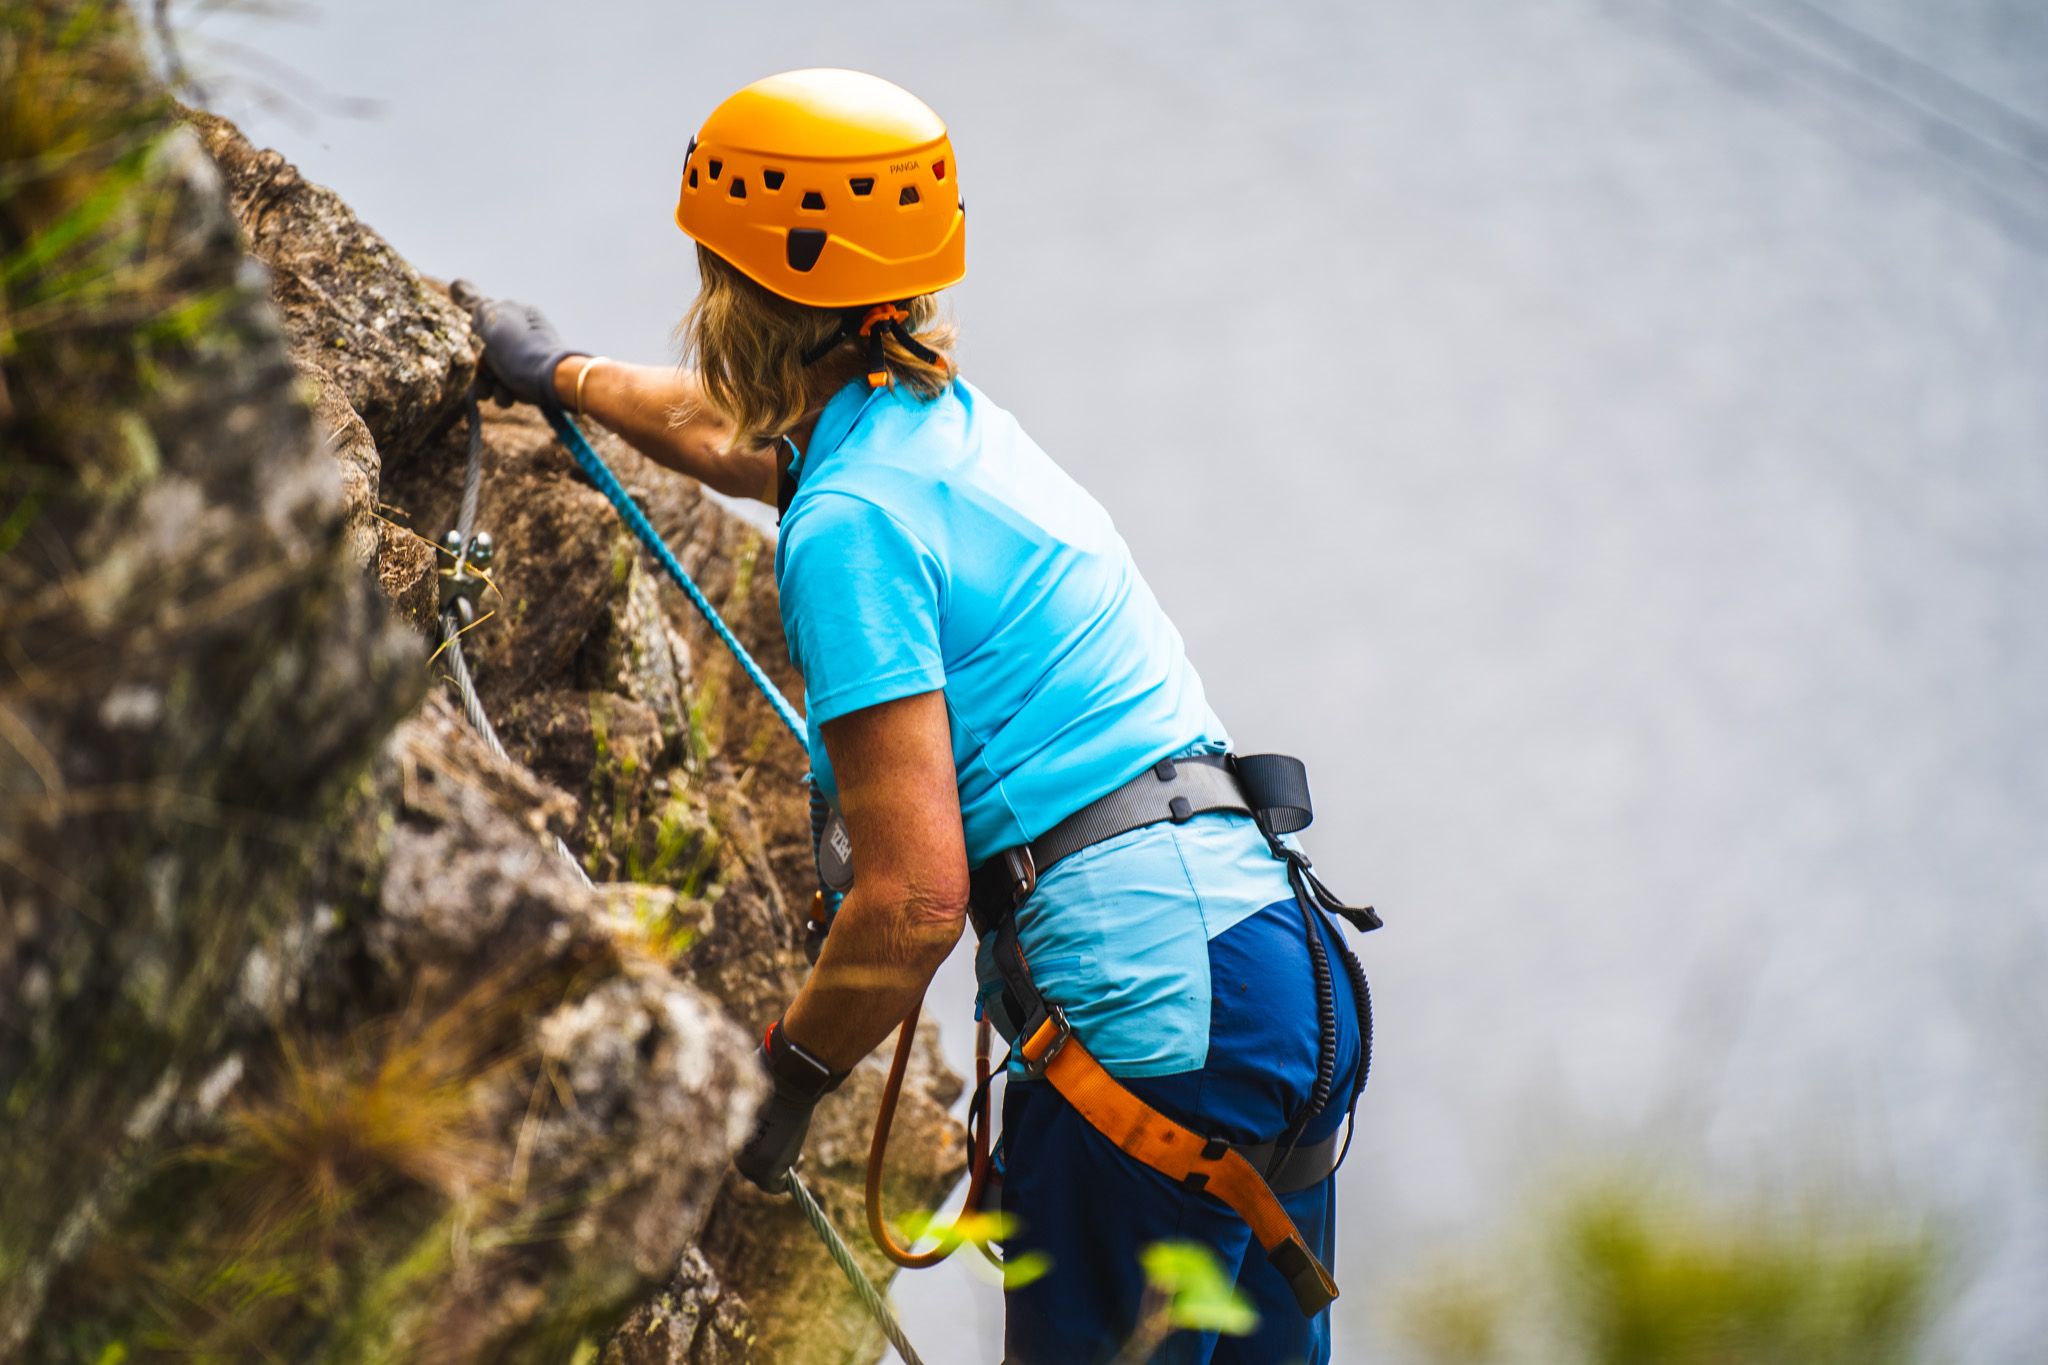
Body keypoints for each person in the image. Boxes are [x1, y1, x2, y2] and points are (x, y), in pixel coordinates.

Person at [464, 67, 1375, 1365]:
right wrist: (563, 372)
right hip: (1277, 974)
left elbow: (910, 900)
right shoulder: (939, 425)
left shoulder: (852, 526)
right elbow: (751, 441)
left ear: (742, 295)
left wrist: (786, 1075)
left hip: (1150, 1009)